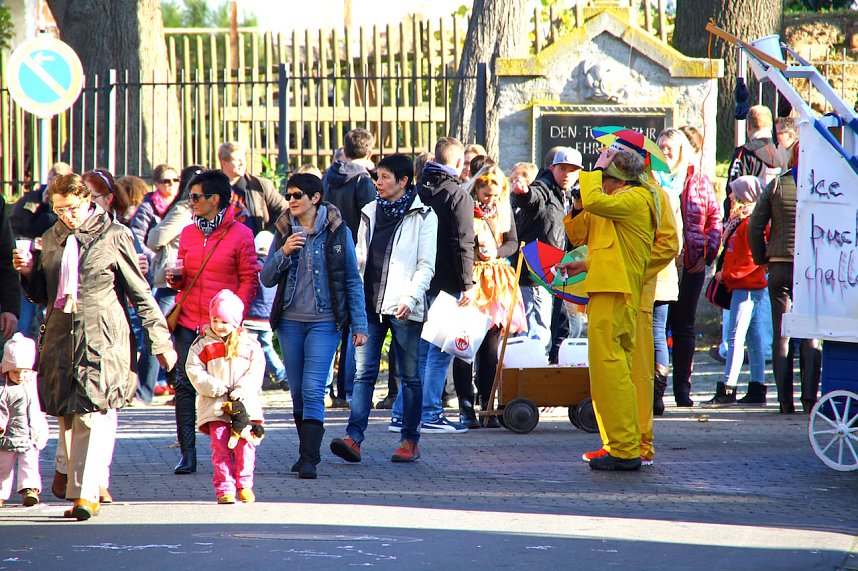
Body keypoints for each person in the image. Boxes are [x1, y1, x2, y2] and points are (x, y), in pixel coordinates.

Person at [14, 173, 177, 520]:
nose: (66, 216)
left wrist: (159, 340)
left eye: (72, 208)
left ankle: (87, 494)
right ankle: (76, 485)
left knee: (93, 410)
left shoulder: (114, 235)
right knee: (68, 415)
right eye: (59, 209)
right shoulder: (51, 237)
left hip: (102, 334)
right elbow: (44, 295)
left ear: (87, 201)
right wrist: (29, 272)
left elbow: (139, 291)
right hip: (61, 334)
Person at [329, 153, 436, 464]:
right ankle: (353, 438)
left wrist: (411, 298)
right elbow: (360, 255)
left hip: (404, 307)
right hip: (369, 306)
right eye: (377, 176)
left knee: (409, 376)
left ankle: (409, 440)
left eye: (385, 177)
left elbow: (425, 266)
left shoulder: (424, 215)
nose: (378, 182)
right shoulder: (369, 211)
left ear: (403, 181)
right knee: (363, 375)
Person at [261, 173, 368, 479]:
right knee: (296, 390)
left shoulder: (336, 230)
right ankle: (304, 451)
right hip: (290, 322)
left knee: (312, 387)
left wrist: (359, 322)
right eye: (289, 195)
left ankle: (309, 458)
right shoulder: (283, 230)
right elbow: (266, 278)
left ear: (315, 198)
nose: (290, 200)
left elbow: (351, 278)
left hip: (325, 321)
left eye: (297, 195)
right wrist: (283, 253)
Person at [561, 149, 658, 472]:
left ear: (619, 178)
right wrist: (584, 264)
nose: (599, 183)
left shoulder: (636, 198)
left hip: (617, 294)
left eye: (604, 177)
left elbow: (597, 204)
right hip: (607, 289)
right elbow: (582, 233)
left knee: (611, 372)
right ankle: (620, 445)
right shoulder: (614, 201)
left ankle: (627, 449)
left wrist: (593, 171)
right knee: (608, 374)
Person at [167, 169, 258, 476]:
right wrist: (176, 280)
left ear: (214, 199)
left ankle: (231, 446)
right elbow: (182, 276)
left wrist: (234, 316)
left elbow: (249, 279)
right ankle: (187, 453)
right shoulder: (189, 233)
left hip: (222, 328)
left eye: (195, 197)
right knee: (184, 385)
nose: (190, 202)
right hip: (189, 318)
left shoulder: (241, 234)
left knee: (226, 387)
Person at [389, 137, 474, 434]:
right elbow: (463, 243)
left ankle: (402, 413)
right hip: (448, 280)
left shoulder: (416, 190)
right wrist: (467, 284)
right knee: (439, 351)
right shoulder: (458, 195)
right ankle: (429, 413)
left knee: (422, 351)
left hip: (418, 279)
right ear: (459, 163)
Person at [748, 138, 821, 414]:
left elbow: (755, 225)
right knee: (811, 332)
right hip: (814, 268)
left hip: (780, 265)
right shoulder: (825, 186)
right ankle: (810, 400)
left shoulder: (777, 184)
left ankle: (784, 402)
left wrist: (762, 257)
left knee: (783, 333)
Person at [452, 166, 526, 428]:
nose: (490, 200)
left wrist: (495, 252)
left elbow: (513, 242)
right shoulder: (465, 210)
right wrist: (476, 251)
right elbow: (457, 243)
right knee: (465, 346)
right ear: (476, 189)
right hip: (471, 279)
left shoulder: (503, 211)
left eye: (495, 195)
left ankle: (487, 404)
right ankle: (465, 406)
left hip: (496, 281)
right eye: (486, 195)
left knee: (490, 349)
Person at [656, 128, 721, 407]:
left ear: (682, 150)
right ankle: (656, 392)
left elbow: (713, 219)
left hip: (690, 265)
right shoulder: (650, 180)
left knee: (684, 326)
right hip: (660, 264)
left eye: (670, 147)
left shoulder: (697, 180)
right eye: (661, 147)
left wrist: (705, 253)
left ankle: (682, 390)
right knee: (658, 327)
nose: (665, 151)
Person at [185, 289, 265, 504]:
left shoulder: (250, 346)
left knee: (245, 447)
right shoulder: (202, 344)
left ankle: (244, 484)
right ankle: (225, 488)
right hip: (215, 406)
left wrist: (242, 388)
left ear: (236, 323)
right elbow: (194, 370)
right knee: (220, 447)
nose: (218, 326)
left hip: (244, 407)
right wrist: (214, 386)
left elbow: (255, 372)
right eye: (215, 320)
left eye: (224, 322)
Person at [703, 176, 769, 407]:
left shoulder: (750, 221)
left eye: (734, 193)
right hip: (748, 285)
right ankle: (757, 387)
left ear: (745, 196)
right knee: (753, 338)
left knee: (735, 337)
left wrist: (727, 276)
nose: (730, 197)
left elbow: (752, 258)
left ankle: (728, 388)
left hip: (746, 286)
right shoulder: (743, 220)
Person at [323, 128, 377, 406]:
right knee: (356, 320)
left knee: (334, 322)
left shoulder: (328, 177)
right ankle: (346, 390)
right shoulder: (363, 181)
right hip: (355, 256)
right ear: (369, 152)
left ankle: (329, 389)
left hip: (329, 251)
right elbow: (369, 221)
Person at [512, 148, 581, 354]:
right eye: (562, 168)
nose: (567, 174)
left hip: (556, 272)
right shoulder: (544, 187)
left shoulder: (568, 195)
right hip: (534, 274)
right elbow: (532, 197)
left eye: (572, 170)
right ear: (552, 168)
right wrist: (523, 192)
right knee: (537, 332)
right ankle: (533, 378)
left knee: (555, 328)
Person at [145, 165, 205, 397]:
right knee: (162, 331)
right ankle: (149, 388)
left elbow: (155, 238)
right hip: (175, 278)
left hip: (180, 280)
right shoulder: (184, 210)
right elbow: (154, 238)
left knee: (161, 332)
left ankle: (147, 389)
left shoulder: (185, 210)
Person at [9, 162, 67, 337]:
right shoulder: (30, 201)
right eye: (52, 179)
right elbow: (12, 233)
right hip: (30, 268)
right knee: (24, 324)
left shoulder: (70, 208)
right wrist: (32, 243)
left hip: (55, 271)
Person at [0, 333, 48, 507]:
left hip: (30, 433)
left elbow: (37, 408)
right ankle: (1, 493)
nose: (20, 376)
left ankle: (30, 489)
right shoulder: (3, 388)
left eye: (25, 372)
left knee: (30, 463)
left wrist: (41, 428)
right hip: (7, 435)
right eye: (15, 372)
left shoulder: (33, 383)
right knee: (3, 468)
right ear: (6, 369)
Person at [244, 230, 288, 391]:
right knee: (265, 345)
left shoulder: (253, 267)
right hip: (268, 316)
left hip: (252, 316)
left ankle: (281, 373)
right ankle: (272, 375)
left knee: (255, 348)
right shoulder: (274, 267)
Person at [218, 141, 289, 236]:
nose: (242, 163)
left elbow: (286, 210)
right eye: (237, 160)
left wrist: (268, 234)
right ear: (224, 163)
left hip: (254, 246)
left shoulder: (260, 186)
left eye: (243, 159)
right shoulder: (210, 188)